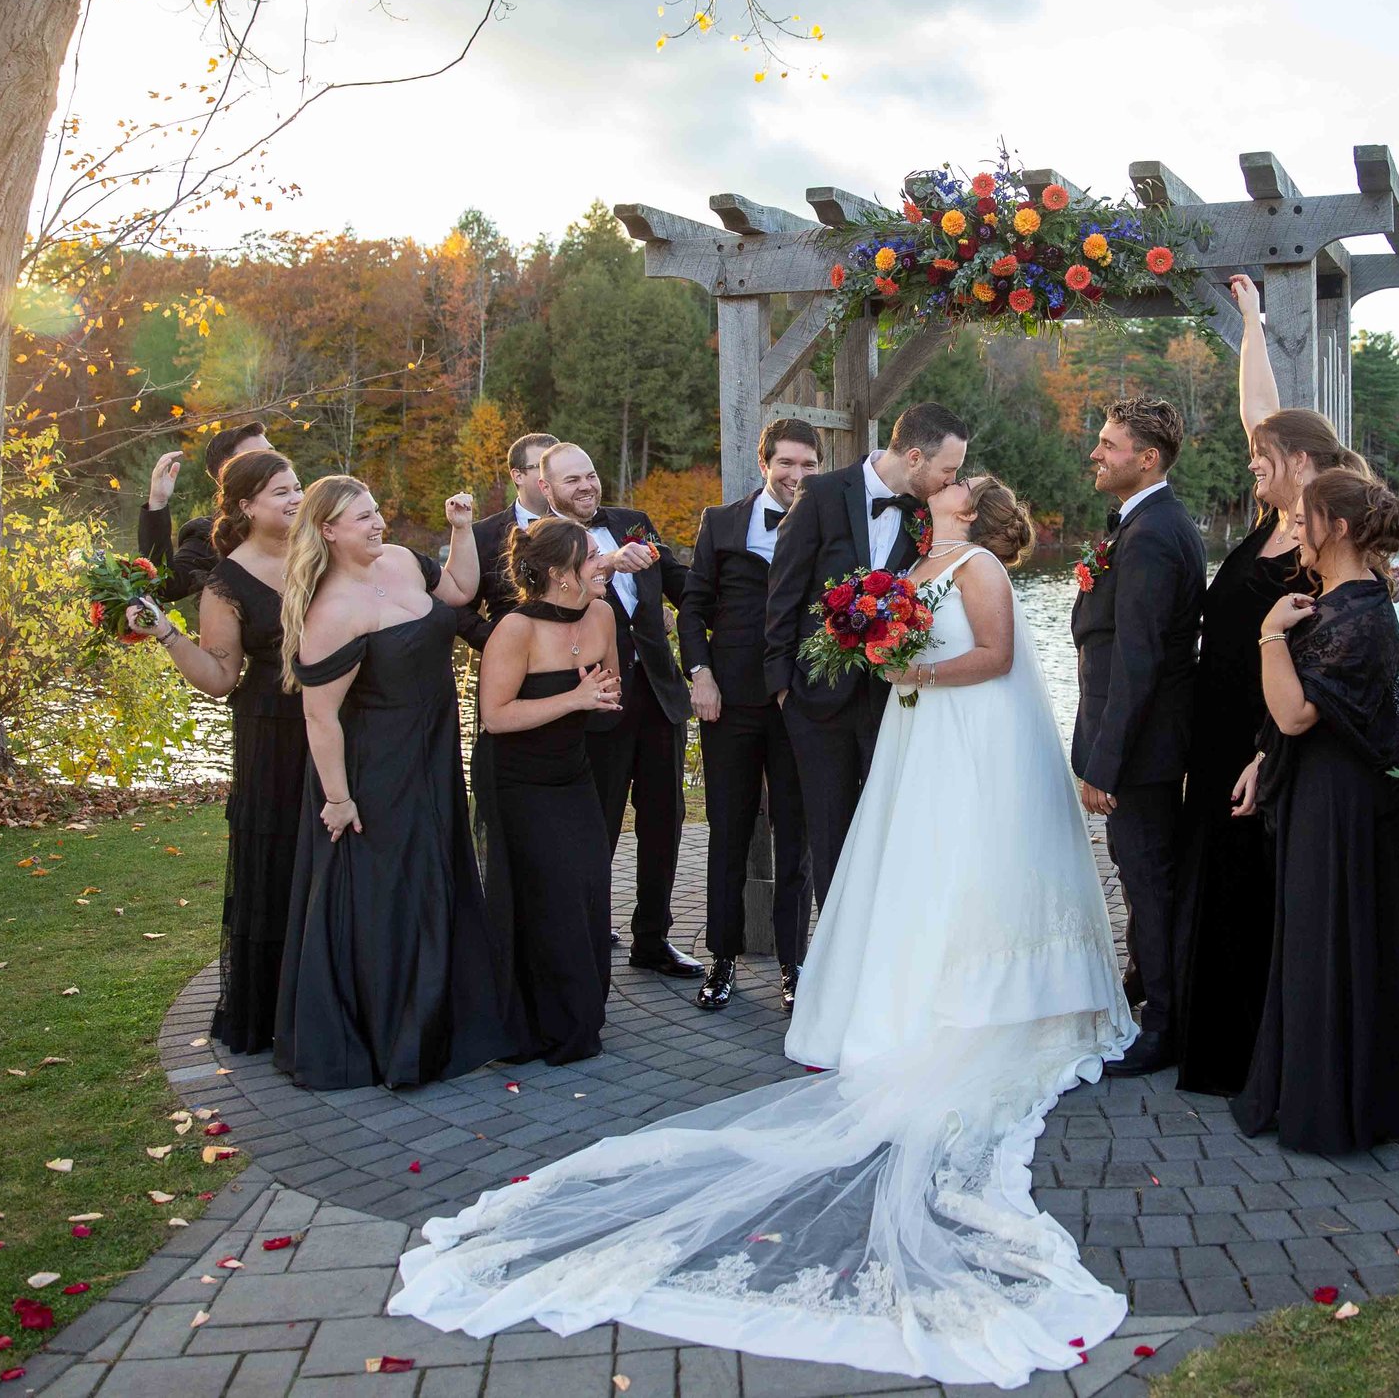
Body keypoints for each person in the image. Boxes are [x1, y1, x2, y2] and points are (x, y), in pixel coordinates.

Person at [392, 475, 1137, 1389]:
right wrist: (883, 645)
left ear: (974, 511)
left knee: (966, 863)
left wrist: (910, 666)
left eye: (955, 484)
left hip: (964, 726)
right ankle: (913, 987)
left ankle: (991, 991)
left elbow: (992, 653)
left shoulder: (975, 563)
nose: (940, 486)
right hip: (921, 730)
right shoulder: (918, 556)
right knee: (914, 866)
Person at [1176, 275, 1366, 1098]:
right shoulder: (1276, 513)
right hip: (1216, 730)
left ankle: (1256, 1050)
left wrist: (1268, 746)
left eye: (1263, 458)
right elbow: (1263, 409)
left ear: (1298, 462)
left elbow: (1327, 658)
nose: (1252, 461)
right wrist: (1250, 323)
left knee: (1256, 887)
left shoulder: (1324, 533)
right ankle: (1204, 1032)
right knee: (1212, 877)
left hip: (1269, 737)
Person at [274, 475, 518, 1090]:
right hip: (375, 766)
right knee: (390, 886)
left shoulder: (407, 561)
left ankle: (444, 1016)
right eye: (363, 518)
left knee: (437, 866)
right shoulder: (329, 611)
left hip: (434, 747)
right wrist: (337, 798)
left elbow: (462, 590)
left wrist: (461, 529)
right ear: (328, 531)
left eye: (378, 510)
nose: (379, 523)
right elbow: (319, 715)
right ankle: (392, 1028)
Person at [1229, 469, 1399, 1155]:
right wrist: (1262, 761)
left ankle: (1331, 1101)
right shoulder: (1345, 601)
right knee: (1322, 933)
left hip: (1341, 801)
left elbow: (1294, 712)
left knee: (1329, 936)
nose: (1294, 529)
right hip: (1327, 785)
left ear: (1338, 528)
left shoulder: (1352, 612)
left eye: (1303, 518)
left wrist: (1266, 635)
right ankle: (1328, 1088)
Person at [127, 448, 305, 1055]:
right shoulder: (225, 580)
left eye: (298, 486)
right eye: (281, 491)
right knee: (279, 859)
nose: (295, 498)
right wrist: (168, 634)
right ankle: (276, 1006)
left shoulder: (325, 554)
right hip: (273, 730)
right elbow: (221, 676)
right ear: (246, 506)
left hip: (344, 720)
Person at [762, 402, 970, 906]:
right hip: (815, 704)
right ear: (915, 457)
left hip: (895, 700)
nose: (952, 480)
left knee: (893, 830)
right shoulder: (822, 493)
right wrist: (784, 689)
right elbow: (784, 592)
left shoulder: (930, 513)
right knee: (828, 836)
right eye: (949, 469)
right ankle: (836, 962)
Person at [1071, 397, 1205, 1078]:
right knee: (1139, 870)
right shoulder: (1140, 521)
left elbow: (1139, 659)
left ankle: (1165, 1026)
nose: (1096, 452)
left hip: (1144, 748)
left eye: (1108, 443)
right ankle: (1141, 985)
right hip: (1139, 741)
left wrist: (1106, 763)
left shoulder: (1153, 534)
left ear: (1146, 459)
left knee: (1150, 881)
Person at [540, 442, 701, 979]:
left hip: (657, 694)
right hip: (593, 699)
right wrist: (605, 562)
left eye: (590, 475)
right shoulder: (540, 540)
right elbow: (548, 597)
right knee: (597, 825)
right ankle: (585, 939)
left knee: (665, 820)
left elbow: (677, 582)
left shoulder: (634, 521)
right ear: (547, 490)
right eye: (571, 481)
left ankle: (652, 940)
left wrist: (730, 605)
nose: (586, 486)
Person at [679, 418, 823, 1014]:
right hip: (729, 702)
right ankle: (722, 960)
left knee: (797, 841)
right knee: (729, 835)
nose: (796, 475)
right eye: (785, 463)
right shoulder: (722, 521)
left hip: (799, 704)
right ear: (763, 463)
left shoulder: (826, 522)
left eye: (808, 465)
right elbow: (691, 608)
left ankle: (796, 968)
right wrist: (701, 675)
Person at [476, 518, 627, 1065]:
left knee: (588, 883)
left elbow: (606, 693)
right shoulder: (514, 629)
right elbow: (494, 717)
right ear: (562, 574)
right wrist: (575, 700)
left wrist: (606, 698)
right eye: (593, 558)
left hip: (573, 773)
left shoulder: (603, 614)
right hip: (516, 778)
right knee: (547, 893)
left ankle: (580, 1012)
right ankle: (536, 1022)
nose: (603, 564)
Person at [139, 419, 272, 601]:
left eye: (272, 453)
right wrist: (158, 502)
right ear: (226, 473)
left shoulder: (310, 516)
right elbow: (165, 585)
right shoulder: (214, 537)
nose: (273, 463)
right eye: (257, 458)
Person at [458, 431, 562, 647]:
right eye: (543, 468)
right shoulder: (481, 535)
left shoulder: (585, 525)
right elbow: (459, 605)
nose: (554, 476)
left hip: (576, 662)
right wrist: (492, 637)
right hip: (509, 665)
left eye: (559, 468)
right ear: (517, 476)